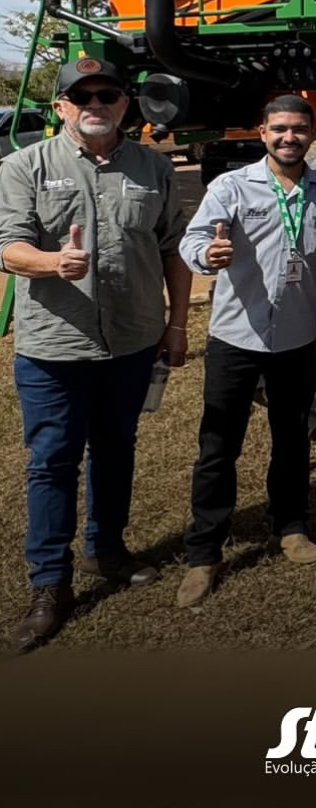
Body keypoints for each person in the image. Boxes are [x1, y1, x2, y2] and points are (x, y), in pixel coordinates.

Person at [0, 57, 190, 652]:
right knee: (52, 461)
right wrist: (53, 262)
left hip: (131, 341)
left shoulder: (153, 167)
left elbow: (173, 249)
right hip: (54, 348)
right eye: (81, 96)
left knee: (115, 449)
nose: (96, 105)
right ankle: (49, 584)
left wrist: (177, 325)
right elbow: (8, 249)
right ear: (60, 107)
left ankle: (106, 549)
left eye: (107, 94)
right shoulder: (24, 166)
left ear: (125, 104)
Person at [176, 95, 316, 607]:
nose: (288, 137)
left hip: (295, 338)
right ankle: (204, 553)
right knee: (218, 446)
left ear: (313, 134)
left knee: (292, 438)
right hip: (235, 339)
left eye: (298, 129)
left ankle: (291, 527)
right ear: (262, 132)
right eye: (279, 129)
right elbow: (193, 241)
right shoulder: (231, 187)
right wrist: (208, 254)